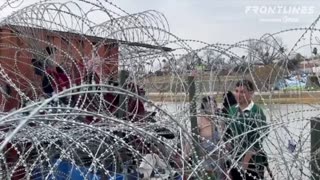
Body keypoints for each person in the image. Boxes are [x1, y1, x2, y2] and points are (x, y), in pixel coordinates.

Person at [225, 79, 268, 180]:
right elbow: (229, 133)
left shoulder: (256, 112)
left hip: (253, 163)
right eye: (236, 91)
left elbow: (257, 140)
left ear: (251, 93)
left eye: (242, 92)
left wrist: (245, 163)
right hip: (234, 159)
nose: (238, 94)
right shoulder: (232, 110)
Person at [197, 96, 220, 178]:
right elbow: (191, 141)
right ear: (204, 108)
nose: (213, 109)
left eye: (214, 106)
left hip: (218, 161)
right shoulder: (199, 121)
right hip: (204, 161)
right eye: (210, 107)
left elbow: (224, 141)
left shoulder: (219, 121)